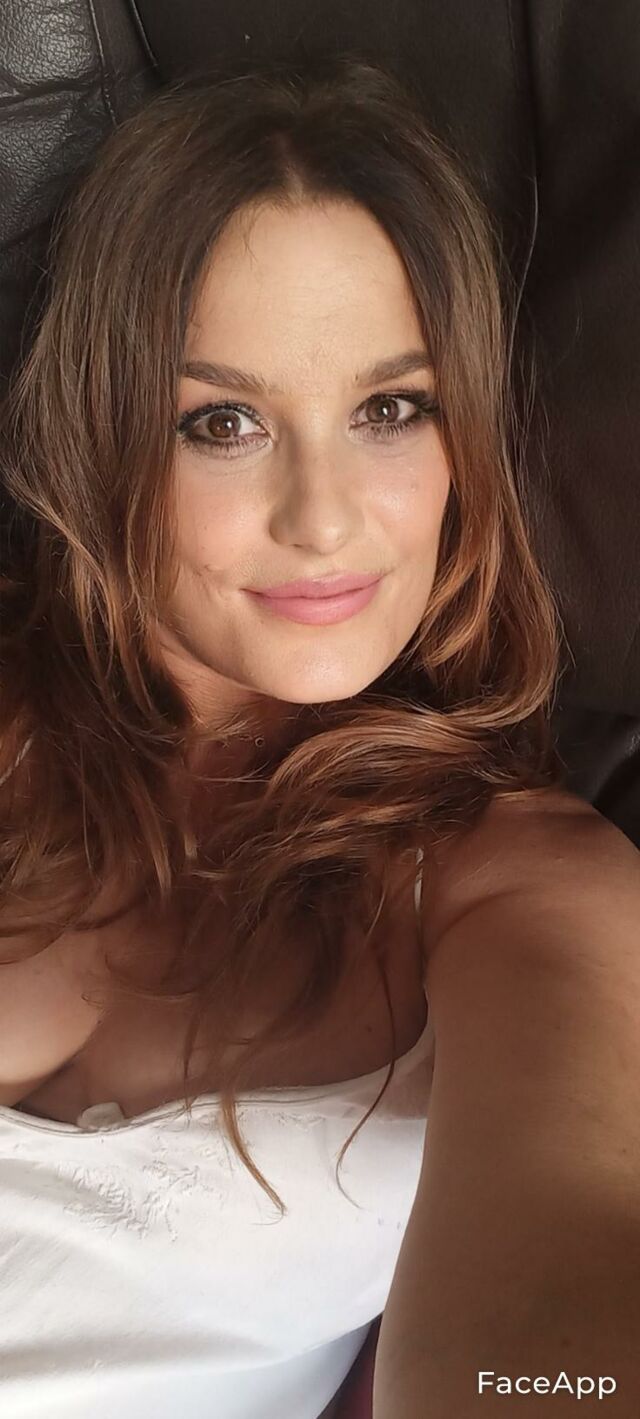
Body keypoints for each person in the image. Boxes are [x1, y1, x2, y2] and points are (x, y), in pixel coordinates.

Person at [1, 50, 639, 1419]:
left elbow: (557, 1326)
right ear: (97, 431)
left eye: (389, 410)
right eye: (223, 422)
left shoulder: (525, 891)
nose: (323, 517)